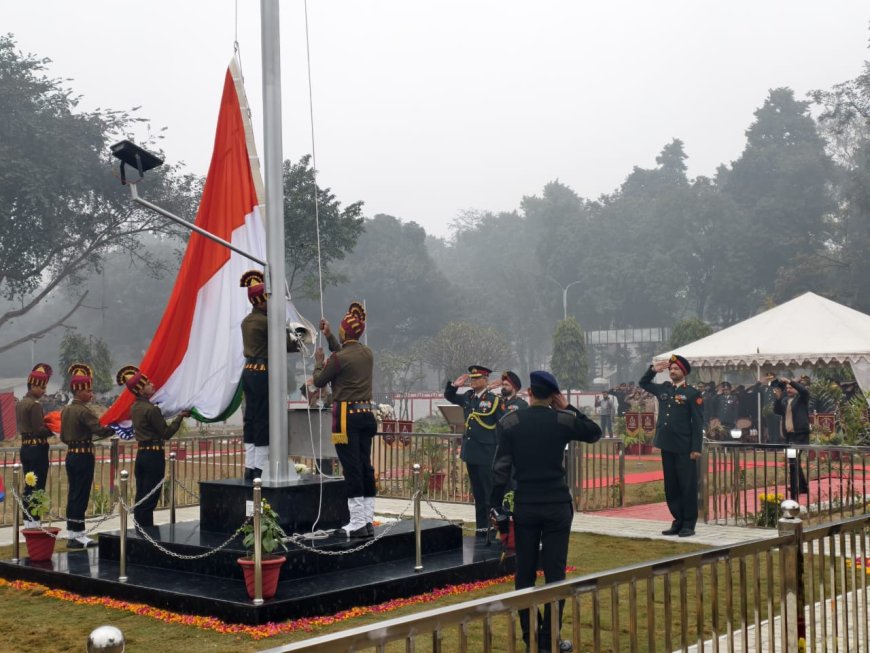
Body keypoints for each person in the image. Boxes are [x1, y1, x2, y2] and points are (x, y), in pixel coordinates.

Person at [491, 370, 601, 653]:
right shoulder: (563, 419)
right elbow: (594, 432)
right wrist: (568, 407)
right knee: (555, 574)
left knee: (525, 575)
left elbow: (501, 470)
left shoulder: (511, 422)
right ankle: (549, 640)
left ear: (529, 392)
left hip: (526, 505)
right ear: (553, 396)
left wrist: (496, 505)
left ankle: (531, 638)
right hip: (556, 504)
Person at [313, 302, 377, 538]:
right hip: (366, 415)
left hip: (346, 418)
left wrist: (319, 362)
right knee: (365, 466)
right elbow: (344, 353)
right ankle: (367, 519)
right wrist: (329, 336)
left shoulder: (338, 359)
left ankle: (357, 522)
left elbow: (319, 381)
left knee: (352, 469)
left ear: (344, 332)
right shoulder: (367, 353)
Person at [239, 269, 304, 482]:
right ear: (259, 301)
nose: (270, 302)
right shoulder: (265, 322)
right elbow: (286, 343)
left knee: (250, 418)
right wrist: (296, 337)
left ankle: (250, 466)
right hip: (262, 373)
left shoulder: (247, 321)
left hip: (249, 371)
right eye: (267, 298)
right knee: (263, 419)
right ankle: (260, 468)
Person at [116, 365, 190, 528]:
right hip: (154, 457)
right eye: (148, 383)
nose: (153, 385)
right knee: (150, 496)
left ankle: (140, 529)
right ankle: (147, 531)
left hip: (142, 455)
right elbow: (166, 433)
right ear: (141, 389)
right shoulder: (151, 409)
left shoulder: (135, 407)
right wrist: (180, 417)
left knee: (141, 495)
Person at [639, 355, 703, 538]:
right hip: (667, 444)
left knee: (687, 485)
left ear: (684, 372)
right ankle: (678, 520)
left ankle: (688, 523)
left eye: (676, 369)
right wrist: (653, 370)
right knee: (671, 486)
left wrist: (696, 448)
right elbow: (643, 383)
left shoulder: (692, 393)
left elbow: (697, 422)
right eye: (671, 369)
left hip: (684, 446)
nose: (672, 371)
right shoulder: (664, 388)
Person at [61, 363, 116, 548]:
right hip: (83, 457)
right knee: (81, 495)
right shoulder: (83, 411)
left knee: (74, 494)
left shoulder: (66, 410)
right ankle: (78, 535)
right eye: (88, 390)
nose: (91, 394)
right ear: (79, 391)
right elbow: (99, 430)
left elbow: (63, 436)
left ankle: (73, 533)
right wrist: (114, 428)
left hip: (71, 455)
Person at [444, 364, 501, 538]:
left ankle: (490, 532)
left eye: (477, 378)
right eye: (472, 378)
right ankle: (481, 531)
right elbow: (449, 396)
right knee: (478, 496)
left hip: (486, 454)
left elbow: (501, 424)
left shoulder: (493, 400)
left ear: (485, 380)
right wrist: (454, 385)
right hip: (471, 453)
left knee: (488, 496)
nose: (473, 381)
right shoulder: (469, 397)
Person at [16, 363, 55, 527]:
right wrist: (53, 429)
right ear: (33, 386)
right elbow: (40, 430)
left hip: (25, 447)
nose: (44, 391)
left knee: (29, 485)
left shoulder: (20, 403)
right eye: (42, 387)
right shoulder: (35, 405)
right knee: (37, 486)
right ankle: (35, 520)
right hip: (37, 448)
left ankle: (28, 520)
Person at [773, 376, 810, 498]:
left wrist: (790, 381)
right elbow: (777, 411)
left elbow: (804, 390)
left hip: (800, 434)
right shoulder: (785, 401)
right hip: (789, 435)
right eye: (787, 388)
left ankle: (796, 487)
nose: (789, 390)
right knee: (793, 461)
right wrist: (778, 398)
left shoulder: (801, 398)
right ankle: (802, 486)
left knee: (794, 460)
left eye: (791, 388)